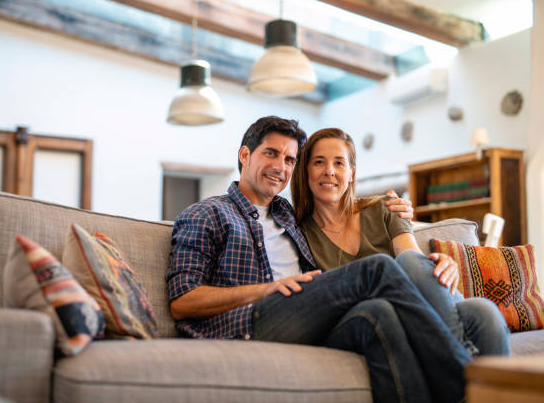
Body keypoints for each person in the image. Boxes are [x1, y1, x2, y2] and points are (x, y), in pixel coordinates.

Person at [166, 116, 472, 403]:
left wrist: (391, 205)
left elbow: (338, 205)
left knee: (378, 313)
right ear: (245, 155)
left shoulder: (287, 215)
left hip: (303, 315)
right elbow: (181, 302)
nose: (279, 167)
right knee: (377, 269)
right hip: (248, 322)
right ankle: (468, 383)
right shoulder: (207, 213)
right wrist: (268, 289)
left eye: (289, 159)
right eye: (270, 153)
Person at [291, 127, 510, 356]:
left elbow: (411, 258)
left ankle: (466, 367)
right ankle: (459, 356)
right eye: (319, 162)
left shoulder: (386, 207)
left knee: (485, 311)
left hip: (422, 303)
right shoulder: (299, 233)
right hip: (381, 315)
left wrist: (437, 262)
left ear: (352, 173)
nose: (329, 171)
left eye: (339, 163)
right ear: (306, 170)